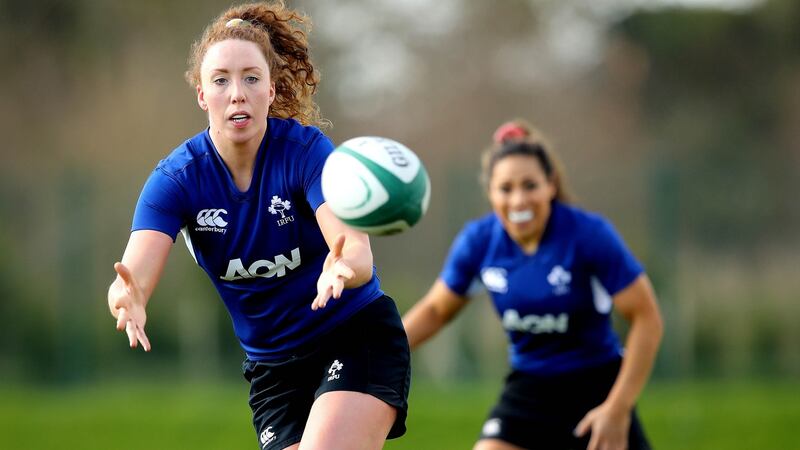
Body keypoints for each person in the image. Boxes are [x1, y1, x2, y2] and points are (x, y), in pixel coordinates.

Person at [106, 2, 410, 449]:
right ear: (202, 96)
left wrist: (342, 265)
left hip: (353, 334)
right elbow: (134, 275)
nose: (237, 93)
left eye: (251, 77)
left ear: (271, 90)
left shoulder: (307, 153)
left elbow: (355, 251)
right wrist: (125, 298)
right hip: (273, 370)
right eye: (221, 80)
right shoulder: (176, 180)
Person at [402, 119, 663, 450]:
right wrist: (382, 348)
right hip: (530, 387)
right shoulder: (479, 241)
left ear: (550, 185)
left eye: (530, 185)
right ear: (490, 193)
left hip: (597, 386)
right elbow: (437, 310)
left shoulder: (588, 235)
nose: (519, 201)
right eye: (506, 189)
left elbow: (647, 317)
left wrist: (618, 408)